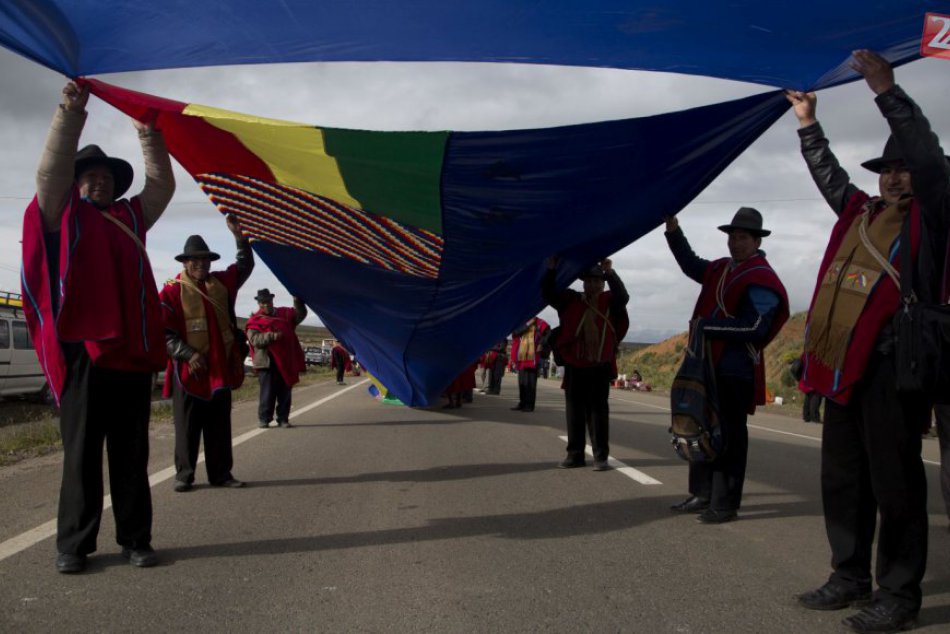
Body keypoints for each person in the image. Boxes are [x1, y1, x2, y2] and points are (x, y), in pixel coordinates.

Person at [787, 50, 949, 633]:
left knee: (896, 482)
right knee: (842, 476)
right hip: (841, 366)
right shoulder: (858, 211)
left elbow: (929, 159)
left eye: (903, 167)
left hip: (891, 364)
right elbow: (831, 174)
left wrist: (887, 91)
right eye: (887, 168)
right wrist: (808, 124)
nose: (895, 175)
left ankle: (899, 594)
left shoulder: (932, 216)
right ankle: (849, 575)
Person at [20, 81, 174, 573]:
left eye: (106, 176)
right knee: (81, 453)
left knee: (131, 452)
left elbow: (162, 187)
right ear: (75, 182)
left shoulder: (132, 216)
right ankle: (74, 544)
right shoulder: (58, 215)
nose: (100, 182)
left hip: (130, 353)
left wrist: (149, 135)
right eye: (89, 175)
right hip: (83, 354)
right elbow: (49, 170)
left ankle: (136, 539)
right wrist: (70, 111)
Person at [665, 209, 789, 524]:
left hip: (736, 370)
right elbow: (690, 263)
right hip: (706, 367)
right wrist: (673, 229)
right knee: (700, 428)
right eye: (732, 237)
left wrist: (707, 327)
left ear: (757, 240)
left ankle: (725, 502)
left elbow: (756, 328)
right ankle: (702, 493)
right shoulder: (720, 269)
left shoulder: (761, 277)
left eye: (743, 237)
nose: (735, 242)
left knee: (730, 436)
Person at [161, 218, 254, 493]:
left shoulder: (222, 284)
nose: (201, 264)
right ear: (185, 262)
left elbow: (245, 266)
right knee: (187, 427)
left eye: (205, 259)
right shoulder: (170, 291)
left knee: (219, 427)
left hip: (220, 368)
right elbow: (163, 333)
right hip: (189, 371)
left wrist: (241, 239)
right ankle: (184, 475)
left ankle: (221, 473)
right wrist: (187, 353)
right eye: (195, 260)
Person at [542, 258, 629, 471]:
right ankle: (575, 455)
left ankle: (601, 457)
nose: (592, 285)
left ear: (603, 283)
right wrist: (552, 269)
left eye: (597, 281)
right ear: (583, 283)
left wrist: (610, 272)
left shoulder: (610, 301)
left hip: (599, 366)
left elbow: (623, 296)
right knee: (574, 412)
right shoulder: (571, 300)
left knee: (598, 413)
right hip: (575, 365)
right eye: (588, 281)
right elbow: (548, 293)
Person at [246, 289, 307, 429]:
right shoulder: (254, 320)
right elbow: (255, 340)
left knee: (285, 391)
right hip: (267, 362)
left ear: (272, 300)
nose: (266, 305)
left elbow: (300, 315)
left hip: (285, 361)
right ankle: (264, 419)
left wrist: (297, 301)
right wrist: (272, 336)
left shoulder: (285, 314)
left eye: (268, 301)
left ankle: (283, 418)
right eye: (263, 303)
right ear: (259, 303)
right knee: (267, 393)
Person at [510, 316, 550, 412]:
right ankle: (522, 403)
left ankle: (529, 405)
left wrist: (541, 343)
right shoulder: (522, 322)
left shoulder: (540, 322)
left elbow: (548, 333)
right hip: (522, 357)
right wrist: (528, 324)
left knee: (531, 382)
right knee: (522, 382)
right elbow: (515, 332)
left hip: (533, 357)